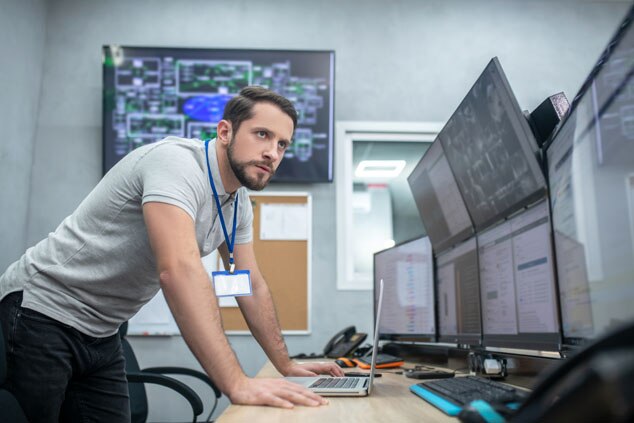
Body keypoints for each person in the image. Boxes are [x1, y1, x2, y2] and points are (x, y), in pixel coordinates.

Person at [0, 86, 343, 422]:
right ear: (225, 131)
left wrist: (285, 364)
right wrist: (236, 384)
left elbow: (248, 283)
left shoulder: (236, 203)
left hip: (102, 332)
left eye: (282, 143)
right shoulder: (176, 164)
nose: (273, 152)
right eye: (262, 134)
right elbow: (179, 270)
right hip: (42, 311)